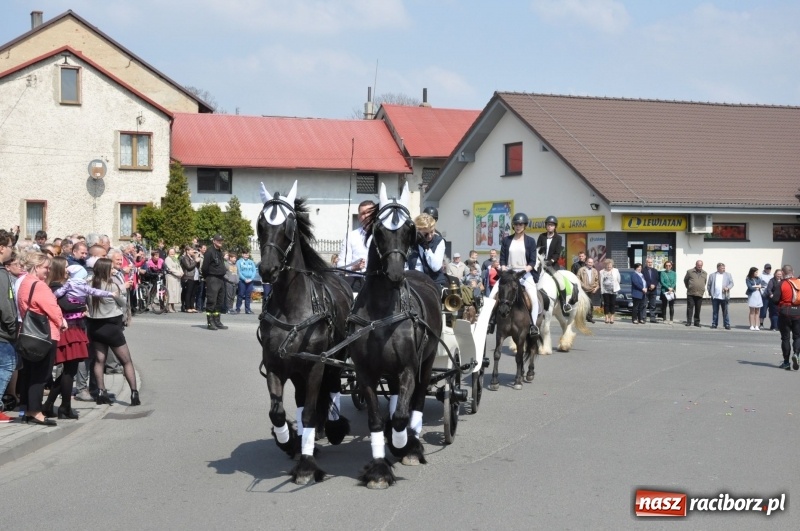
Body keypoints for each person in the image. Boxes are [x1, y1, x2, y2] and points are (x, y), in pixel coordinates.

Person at [44, 259, 116, 419]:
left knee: (69, 370)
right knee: (69, 370)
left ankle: (51, 405)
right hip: (68, 329)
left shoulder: (68, 284)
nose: (68, 271)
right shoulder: (57, 286)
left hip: (75, 327)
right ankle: (64, 407)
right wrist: (83, 306)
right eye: (66, 268)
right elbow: (67, 306)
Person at [17, 252, 67, 426]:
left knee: (29, 373)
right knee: (41, 374)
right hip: (45, 334)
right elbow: (52, 309)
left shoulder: (23, 282)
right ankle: (35, 411)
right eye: (46, 267)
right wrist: (62, 322)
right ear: (36, 267)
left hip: (29, 333)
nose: (48, 271)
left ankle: (26, 408)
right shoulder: (39, 285)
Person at [86, 258, 139, 405]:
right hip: (112, 326)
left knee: (99, 360)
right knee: (126, 361)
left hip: (95, 326)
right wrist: (122, 290)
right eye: (111, 269)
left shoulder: (88, 285)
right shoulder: (111, 286)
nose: (113, 271)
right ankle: (134, 392)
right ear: (105, 270)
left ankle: (101, 392)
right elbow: (122, 303)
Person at [487, 212, 540, 338]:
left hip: (524, 273)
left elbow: (533, 261)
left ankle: (533, 325)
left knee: (534, 299)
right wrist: (504, 269)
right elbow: (503, 258)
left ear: (525, 225)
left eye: (521, 224)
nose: (518, 226)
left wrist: (524, 271)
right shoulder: (506, 240)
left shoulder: (531, 241)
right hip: (509, 273)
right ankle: (490, 322)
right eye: (516, 224)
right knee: (491, 296)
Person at [0, 230, 18, 423]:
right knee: (7, 366)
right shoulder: (2, 275)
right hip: (3, 333)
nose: (12, 250)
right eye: (10, 246)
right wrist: (13, 329)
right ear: (1, 248)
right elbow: (6, 305)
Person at [339, 200, 375, 292]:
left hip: (379, 282)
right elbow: (340, 265)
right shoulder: (351, 236)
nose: (366, 216)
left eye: (369, 212)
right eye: (363, 213)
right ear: (359, 217)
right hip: (357, 282)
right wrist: (353, 267)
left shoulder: (384, 235)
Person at [406, 213, 447, 289]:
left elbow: (436, 267)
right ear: (417, 231)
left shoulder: (439, 241)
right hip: (413, 282)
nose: (430, 236)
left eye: (432, 232)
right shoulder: (409, 242)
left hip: (434, 283)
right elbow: (405, 267)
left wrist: (426, 248)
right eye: (426, 234)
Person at [773, 264, 800, 370]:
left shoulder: (782, 284)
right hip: (798, 312)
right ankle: (797, 354)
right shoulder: (798, 282)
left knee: (785, 338)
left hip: (785, 312)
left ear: (783, 273)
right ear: (792, 271)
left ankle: (786, 362)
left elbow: (775, 300)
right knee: (797, 337)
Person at [202, 234, 228, 330]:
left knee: (219, 301)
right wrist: (207, 278)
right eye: (218, 240)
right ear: (214, 241)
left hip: (221, 279)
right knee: (211, 301)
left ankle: (217, 320)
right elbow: (204, 267)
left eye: (221, 240)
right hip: (212, 278)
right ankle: (210, 322)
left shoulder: (219, 251)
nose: (220, 242)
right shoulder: (209, 252)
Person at [707, 262, 734, 330]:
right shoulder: (712, 275)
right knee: (715, 311)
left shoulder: (728, 275)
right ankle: (714, 324)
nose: (723, 269)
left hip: (724, 296)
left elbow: (732, 283)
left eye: (724, 268)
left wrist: (727, 287)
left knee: (725, 311)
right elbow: (709, 285)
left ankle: (727, 324)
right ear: (718, 268)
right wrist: (710, 293)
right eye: (722, 268)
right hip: (715, 296)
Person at [684, 260, 707, 327]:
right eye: (698, 265)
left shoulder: (705, 273)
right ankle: (689, 322)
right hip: (691, 293)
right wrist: (689, 287)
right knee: (690, 308)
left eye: (701, 265)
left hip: (700, 293)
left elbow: (704, 282)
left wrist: (701, 288)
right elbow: (685, 280)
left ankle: (696, 322)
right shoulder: (690, 272)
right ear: (696, 265)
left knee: (698, 308)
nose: (699, 266)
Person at [235, 250, 257, 314]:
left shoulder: (251, 262)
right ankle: (237, 309)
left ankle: (247, 309)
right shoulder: (239, 262)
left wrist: (251, 278)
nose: (246, 255)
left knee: (248, 295)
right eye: (245, 254)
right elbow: (239, 272)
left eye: (247, 254)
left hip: (250, 281)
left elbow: (254, 271)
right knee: (240, 295)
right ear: (242, 254)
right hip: (242, 281)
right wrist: (244, 279)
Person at [599, 258, 620, 324]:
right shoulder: (601, 272)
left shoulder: (616, 271)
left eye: (610, 266)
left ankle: (612, 317)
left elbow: (618, 280)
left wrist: (616, 286)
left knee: (612, 303)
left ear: (612, 265)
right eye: (607, 266)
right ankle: (606, 317)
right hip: (605, 290)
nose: (609, 267)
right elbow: (600, 281)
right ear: (605, 265)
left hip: (613, 290)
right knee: (606, 304)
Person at [578, 257, 598, 323]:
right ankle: (582, 318)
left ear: (593, 263)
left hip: (591, 290)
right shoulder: (581, 270)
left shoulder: (595, 271)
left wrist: (595, 288)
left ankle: (589, 317)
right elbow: (577, 279)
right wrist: (583, 286)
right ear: (586, 262)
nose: (590, 264)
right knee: (583, 304)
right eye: (589, 262)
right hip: (583, 290)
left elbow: (597, 281)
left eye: (591, 262)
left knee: (590, 304)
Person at [180, 246, 199, 313]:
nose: (192, 252)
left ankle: (192, 306)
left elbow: (197, 266)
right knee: (188, 292)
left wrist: (196, 258)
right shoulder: (185, 258)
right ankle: (187, 307)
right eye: (191, 250)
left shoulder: (193, 257)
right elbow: (189, 267)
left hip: (195, 277)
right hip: (188, 276)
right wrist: (195, 262)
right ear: (187, 251)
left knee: (193, 293)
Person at [164, 247, 183, 313]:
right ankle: (169, 306)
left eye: (173, 252)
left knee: (175, 292)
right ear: (168, 252)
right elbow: (170, 268)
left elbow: (179, 267)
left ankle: (173, 306)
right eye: (170, 252)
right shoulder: (167, 259)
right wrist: (178, 273)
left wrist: (181, 272)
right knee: (170, 291)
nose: (172, 253)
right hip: (171, 277)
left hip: (176, 277)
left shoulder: (175, 259)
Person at [745, 266, 764, 331]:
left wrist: (757, 287)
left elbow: (761, 285)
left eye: (757, 272)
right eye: (756, 272)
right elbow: (750, 287)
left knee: (757, 311)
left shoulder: (758, 278)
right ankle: (751, 325)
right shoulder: (748, 279)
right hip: (752, 295)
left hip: (758, 294)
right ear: (752, 272)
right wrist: (756, 287)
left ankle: (756, 325)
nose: (757, 273)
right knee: (752, 310)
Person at [642, 258, 660, 323]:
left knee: (653, 305)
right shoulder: (643, 270)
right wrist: (650, 285)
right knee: (644, 305)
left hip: (653, 290)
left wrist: (654, 285)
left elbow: (657, 279)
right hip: (646, 290)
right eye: (648, 262)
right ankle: (643, 318)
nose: (650, 263)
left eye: (651, 262)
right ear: (646, 263)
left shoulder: (655, 271)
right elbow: (643, 280)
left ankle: (652, 318)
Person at [759, 264, 773, 328]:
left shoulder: (772, 276)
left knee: (772, 310)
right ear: (764, 269)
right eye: (767, 268)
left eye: (769, 268)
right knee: (763, 310)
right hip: (764, 295)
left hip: (771, 295)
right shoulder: (761, 276)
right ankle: (761, 323)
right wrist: (761, 292)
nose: (768, 270)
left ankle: (772, 324)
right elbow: (758, 285)